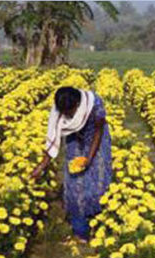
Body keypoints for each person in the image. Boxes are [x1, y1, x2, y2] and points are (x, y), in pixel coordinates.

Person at [32, 87, 112, 243]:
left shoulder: (95, 104)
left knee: (99, 180)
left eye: (70, 112)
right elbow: (53, 138)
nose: (67, 116)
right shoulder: (58, 110)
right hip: (75, 138)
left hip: (96, 140)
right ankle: (81, 230)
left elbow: (98, 131)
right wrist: (41, 166)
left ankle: (100, 222)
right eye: (64, 112)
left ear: (77, 104)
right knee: (74, 184)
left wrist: (89, 158)